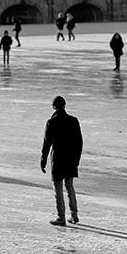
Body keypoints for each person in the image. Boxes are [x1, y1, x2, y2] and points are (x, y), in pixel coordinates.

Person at [40, 95, 83, 226]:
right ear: (64, 105)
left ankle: (61, 217)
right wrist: (77, 160)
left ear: (53, 107)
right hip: (71, 159)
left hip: (58, 159)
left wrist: (43, 160)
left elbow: (46, 144)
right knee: (69, 186)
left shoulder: (51, 122)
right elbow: (79, 143)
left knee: (58, 189)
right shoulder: (73, 120)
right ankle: (74, 216)